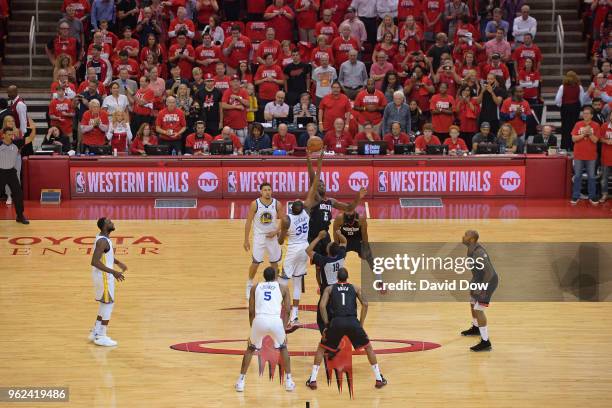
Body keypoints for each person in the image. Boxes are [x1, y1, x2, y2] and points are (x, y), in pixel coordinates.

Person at [307, 267, 386, 389]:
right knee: (368, 347)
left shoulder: (329, 288)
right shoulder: (355, 288)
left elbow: (322, 306)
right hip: (352, 321)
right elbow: (365, 304)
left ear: (337, 277)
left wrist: (327, 324)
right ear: (347, 277)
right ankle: (379, 379)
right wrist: (361, 323)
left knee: (322, 348)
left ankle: (312, 380)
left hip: (336, 321)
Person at [235, 266, 295, 392]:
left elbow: (251, 311)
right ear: (275, 277)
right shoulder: (282, 288)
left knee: (250, 348)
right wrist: (283, 328)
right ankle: (289, 381)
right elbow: (288, 310)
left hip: (259, 320)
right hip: (275, 320)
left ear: (264, 276)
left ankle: (241, 382)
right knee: (283, 347)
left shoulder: (255, 287)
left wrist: (253, 327)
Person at [277, 166, 320, 325]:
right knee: (296, 283)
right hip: (304, 248)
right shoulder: (306, 212)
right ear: (302, 207)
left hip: (292, 250)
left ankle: (276, 310)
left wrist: (281, 233)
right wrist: (318, 163)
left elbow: (281, 241)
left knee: (282, 281)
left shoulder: (286, 220)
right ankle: (295, 315)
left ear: (290, 209)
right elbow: (313, 187)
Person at [88, 217, 127, 347]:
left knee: (104, 304)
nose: (113, 223)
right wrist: (114, 272)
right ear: (105, 226)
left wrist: (118, 263)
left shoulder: (103, 237)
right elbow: (94, 261)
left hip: (102, 276)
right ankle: (102, 336)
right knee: (109, 304)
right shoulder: (102, 241)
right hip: (104, 277)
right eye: (110, 222)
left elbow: (107, 255)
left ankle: (96, 331)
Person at [243, 183, 285, 299]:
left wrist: (276, 231)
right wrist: (246, 240)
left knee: (274, 262)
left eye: (269, 190)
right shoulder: (255, 204)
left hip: (272, 237)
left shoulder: (277, 204)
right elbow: (248, 222)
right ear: (261, 192)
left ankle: (275, 284)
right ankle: (249, 284)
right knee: (256, 263)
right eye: (265, 190)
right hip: (259, 237)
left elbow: (283, 220)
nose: (267, 192)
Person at [460, 230, 499, 352]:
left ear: (471, 239)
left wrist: (483, 289)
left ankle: (486, 342)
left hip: (488, 282)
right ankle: (476, 327)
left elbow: (489, 273)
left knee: (478, 309)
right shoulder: (471, 249)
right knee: (472, 302)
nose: (463, 236)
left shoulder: (479, 252)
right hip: (479, 280)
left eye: (466, 235)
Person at [571, 106, 601, 205]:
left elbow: (596, 140)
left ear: (592, 115)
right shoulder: (578, 124)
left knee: (592, 177)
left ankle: (592, 196)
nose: (585, 115)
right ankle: (576, 196)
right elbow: (574, 139)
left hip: (591, 156)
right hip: (578, 155)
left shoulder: (596, 125)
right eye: (584, 113)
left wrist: (589, 133)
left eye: (587, 113)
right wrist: (583, 134)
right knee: (578, 176)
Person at [0, 129, 28, 224]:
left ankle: (20, 216)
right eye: (8, 134)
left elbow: (30, 138)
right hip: (1, 172)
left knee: (18, 194)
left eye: (12, 135)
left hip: (11, 172)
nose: (11, 136)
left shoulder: (16, 143)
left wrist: (33, 127)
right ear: (3, 135)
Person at [555, 71, 587, 151]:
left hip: (565, 107)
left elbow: (557, 100)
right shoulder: (579, 87)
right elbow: (582, 100)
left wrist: (561, 105)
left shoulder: (562, 87)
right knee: (574, 126)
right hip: (575, 107)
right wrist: (579, 106)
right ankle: (573, 145)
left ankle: (565, 145)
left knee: (565, 126)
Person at [221, 75, 250, 144]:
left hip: (242, 125)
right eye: (233, 81)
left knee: (242, 146)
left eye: (237, 81)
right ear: (230, 83)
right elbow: (223, 105)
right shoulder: (227, 92)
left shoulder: (244, 92)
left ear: (240, 82)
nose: (235, 83)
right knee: (229, 146)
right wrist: (236, 107)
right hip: (230, 125)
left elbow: (248, 104)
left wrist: (237, 98)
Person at [600, 116, 612, 203]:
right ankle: (605, 194)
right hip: (606, 157)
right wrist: (606, 141)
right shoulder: (604, 126)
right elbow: (599, 138)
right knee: (604, 178)